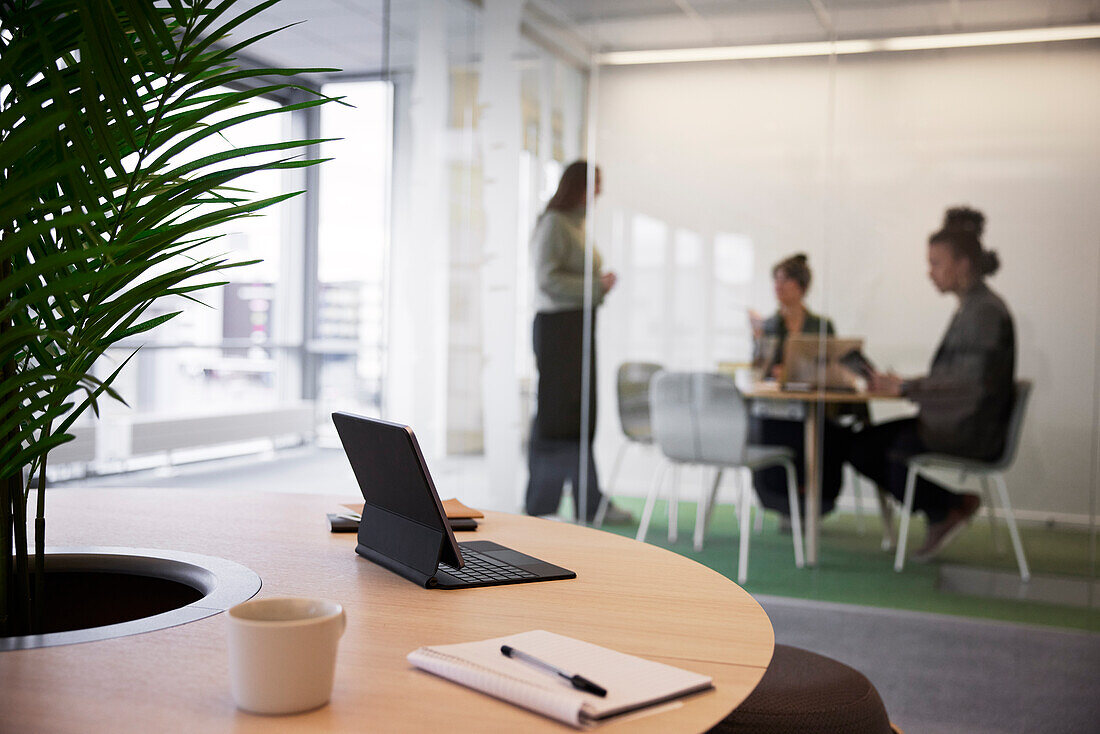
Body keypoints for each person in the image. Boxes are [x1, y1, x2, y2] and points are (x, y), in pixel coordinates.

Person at [849, 207, 1014, 560]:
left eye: (936, 263)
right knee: (862, 446)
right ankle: (949, 507)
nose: (930, 273)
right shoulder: (975, 307)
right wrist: (904, 385)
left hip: (967, 430)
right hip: (957, 422)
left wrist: (906, 389)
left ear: (964, 264)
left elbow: (966, 386)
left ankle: (948, 508)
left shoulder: (982, 312)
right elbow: (959, 379)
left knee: (874, 450)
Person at [525, 161, 631, 524]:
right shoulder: (554, 223)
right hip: (558, 328)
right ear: (577, 185)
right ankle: (543, 504)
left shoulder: (576, 223)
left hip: (577, 325)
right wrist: (596, 287)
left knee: (580, 415)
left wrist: (596, 286)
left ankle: (587, 500)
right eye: (595, 183)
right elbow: (546, 280)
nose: (599, 191)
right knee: (558, 417)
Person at [749, 253, 851, 521]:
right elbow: (758, 370)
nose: (777, 287)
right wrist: (758, 339)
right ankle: (782, 501)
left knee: (826, 434)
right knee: (768, 430)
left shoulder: (820, 326)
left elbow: (831, 367)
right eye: (775, 281)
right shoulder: (769, 325)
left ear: (801, 287)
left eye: (784, 281)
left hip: (811, 407)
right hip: (777, 408)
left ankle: (814, 500)